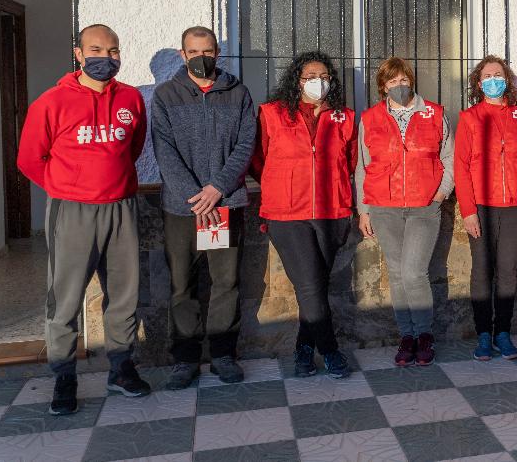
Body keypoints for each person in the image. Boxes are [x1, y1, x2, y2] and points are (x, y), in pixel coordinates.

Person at [17, 24, 150, 416]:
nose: (105, 58)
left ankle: (122, 368)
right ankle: (64, 375)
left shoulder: (131, 99)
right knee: (66, 297)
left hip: (122, 207)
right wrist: (68, 186)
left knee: (124, 293)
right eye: (96, 49)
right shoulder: (51, 102)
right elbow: (29, 159)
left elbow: (134, 145)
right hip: (71, 211)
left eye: (113, 51)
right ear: (78, 53)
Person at [151, 26, 257, 389]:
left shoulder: (237, 93)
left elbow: (246, 145)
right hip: (183, 210)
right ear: (183, 55)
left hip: (224, 205)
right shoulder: (166, 96)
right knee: (183, 285)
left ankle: (224, 354)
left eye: (208, 51)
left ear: (217, 53)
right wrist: (195, 196)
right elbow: (163, 150)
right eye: (194, 52)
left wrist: (217, 189)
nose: (201, 58)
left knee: (225, 282)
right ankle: (185, 359)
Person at [252, 52, 358, 379]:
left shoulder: (345, 118)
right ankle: (330, 350)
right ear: (297, 80)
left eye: (324, 75)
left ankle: (303, 349)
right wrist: (282, 184)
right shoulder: (271, 114)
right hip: (287, 214)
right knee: (312, 288)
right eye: (310, 75)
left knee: (313, 287)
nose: (318, 81)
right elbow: (258, 159)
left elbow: (351, 161)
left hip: (332, 212)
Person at [355, 57, 453, 367]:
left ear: (411, 81)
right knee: (397, 274)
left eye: (403, 80)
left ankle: (424, 334)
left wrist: (440, 194)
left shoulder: (435, 113)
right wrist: (364, 209)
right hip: (384, 207)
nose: (399, 86)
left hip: (424, 206)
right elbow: (363, 166)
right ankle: (407, 336)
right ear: (382, 86)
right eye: (392, 82)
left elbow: (449, 157)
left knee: (414, 272)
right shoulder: (370, 118)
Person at [454, 55, 517, 361]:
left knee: (508, 272)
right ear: (479, 84)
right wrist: (468, 210)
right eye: (488, 75)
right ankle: (483, 335)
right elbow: (461, 167)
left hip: (516, 206)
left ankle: (502, 332)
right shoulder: (469, 118)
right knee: (482, 271)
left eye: (499, 74)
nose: (494, 79)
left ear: (506, 80)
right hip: (482, 207)